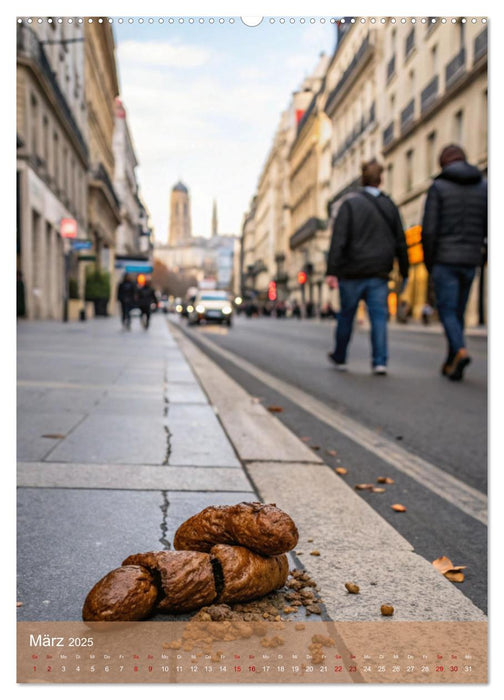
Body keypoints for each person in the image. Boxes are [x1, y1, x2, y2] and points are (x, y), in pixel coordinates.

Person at [326, 159, 409, 375]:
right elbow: (401, 240)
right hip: (379, 271)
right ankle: (379, 361)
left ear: (362, 179)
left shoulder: (350, 204)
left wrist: (332, 270)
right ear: (381, 179)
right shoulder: (389, 205)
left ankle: (341, 356)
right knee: (379, 318)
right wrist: (405, 269)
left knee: (347, 315)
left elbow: (339, 239)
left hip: (351, 271)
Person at [421, 144, 487, 381]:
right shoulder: (483, 186)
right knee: (457, 313)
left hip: (444, 259)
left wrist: (430, 262)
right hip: (470, 259)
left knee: (447, 311)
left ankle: (459, 351)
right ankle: (451, 361)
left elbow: (428, 230)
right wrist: (483, 256)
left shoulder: (438, 187)